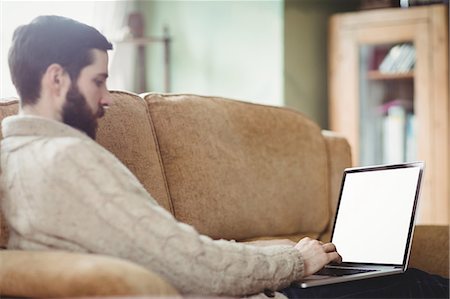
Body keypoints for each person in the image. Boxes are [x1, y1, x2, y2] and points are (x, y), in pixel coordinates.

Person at [0, 15, 448, 298]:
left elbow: (173, 248)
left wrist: (274, 250)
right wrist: (292, 261)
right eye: (98, 81)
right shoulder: (66, 160)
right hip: (254, 292)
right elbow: (192, 265)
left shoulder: (15, 156)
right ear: (57, 78)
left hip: (241, 274)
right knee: (419, 284)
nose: (107, 99)